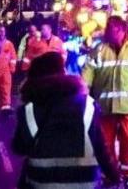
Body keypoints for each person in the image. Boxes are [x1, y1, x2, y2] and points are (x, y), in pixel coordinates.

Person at [12, 52, 119, 189]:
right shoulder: (87, 105)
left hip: (41, 184)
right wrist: (114, 175)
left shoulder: (29, 110)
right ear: (63, 73)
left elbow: (19, 148)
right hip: (85, 184)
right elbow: (100, 148)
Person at [82, 16, 128, 188]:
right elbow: (88, 71)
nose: (109, 33)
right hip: (105, 107)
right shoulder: (99, 49)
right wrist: (83, 92)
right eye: (108, 29)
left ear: (122, 31)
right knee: (106, 142)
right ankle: (110, 174)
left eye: (112, 30)